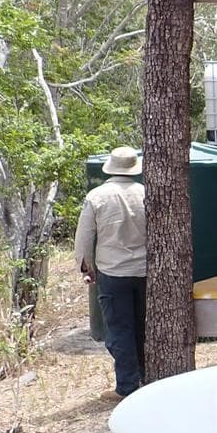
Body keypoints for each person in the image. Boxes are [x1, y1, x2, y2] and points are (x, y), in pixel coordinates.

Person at [74, 146, 147, 402]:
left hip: (113, 272)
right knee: (142, 327)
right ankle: (146, 377)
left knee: (119, 329)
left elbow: (85, 236)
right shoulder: (146, 193)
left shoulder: (97, 196)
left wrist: (86, 268)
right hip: (145, 271)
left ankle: (127, 386)